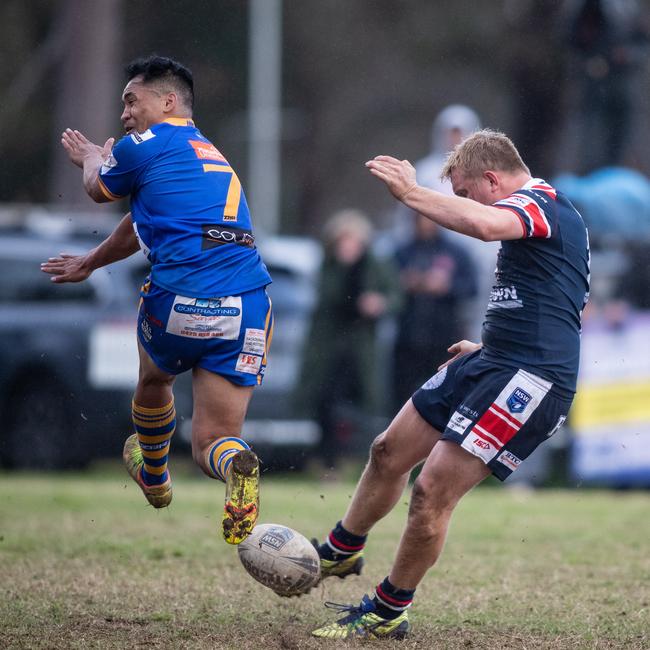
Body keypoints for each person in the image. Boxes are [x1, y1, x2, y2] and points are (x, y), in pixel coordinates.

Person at [309, 130, 590, 639]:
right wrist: (491, 346)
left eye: (463, 193)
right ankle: (340, 551)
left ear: (491, 178)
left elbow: (485, 226)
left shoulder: (541, 203)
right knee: (388, 451)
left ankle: (388, 611)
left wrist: (412, 193)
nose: (459, 206)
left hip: (531, 378)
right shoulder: (534, 216)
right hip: (493, 359)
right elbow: (553, 299)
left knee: (431, 492)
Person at [41, 56, 273, 545]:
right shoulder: (207, 152)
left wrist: (90, 157)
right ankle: (238, 465)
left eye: (132, 100)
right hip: (250, 303)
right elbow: (141, 221)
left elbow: (98, 190)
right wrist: (92, 261)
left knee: (154, 377)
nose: (124, 113)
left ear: (168, 102)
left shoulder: (144, 144)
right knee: (214, 439)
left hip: (181, 297)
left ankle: (154, 473)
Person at [297, 209, 400, 475]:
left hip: (361, 348)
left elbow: (396, 297)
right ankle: (327, 462)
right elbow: (328, 297)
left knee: (362, 405)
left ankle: (360, 461)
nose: (349, 247)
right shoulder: (329, 265)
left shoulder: (375, 265)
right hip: (330, 347)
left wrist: (380, 303)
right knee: (326, 403)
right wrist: (344, 268)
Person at [392, 212, 477, 411]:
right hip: (407, 335)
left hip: (445, 337)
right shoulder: (402, 252)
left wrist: (446, 287)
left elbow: (472, 288)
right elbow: (386, 288)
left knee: (443, 394)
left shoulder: (455, 252)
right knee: (402, 396)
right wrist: (404, 284)